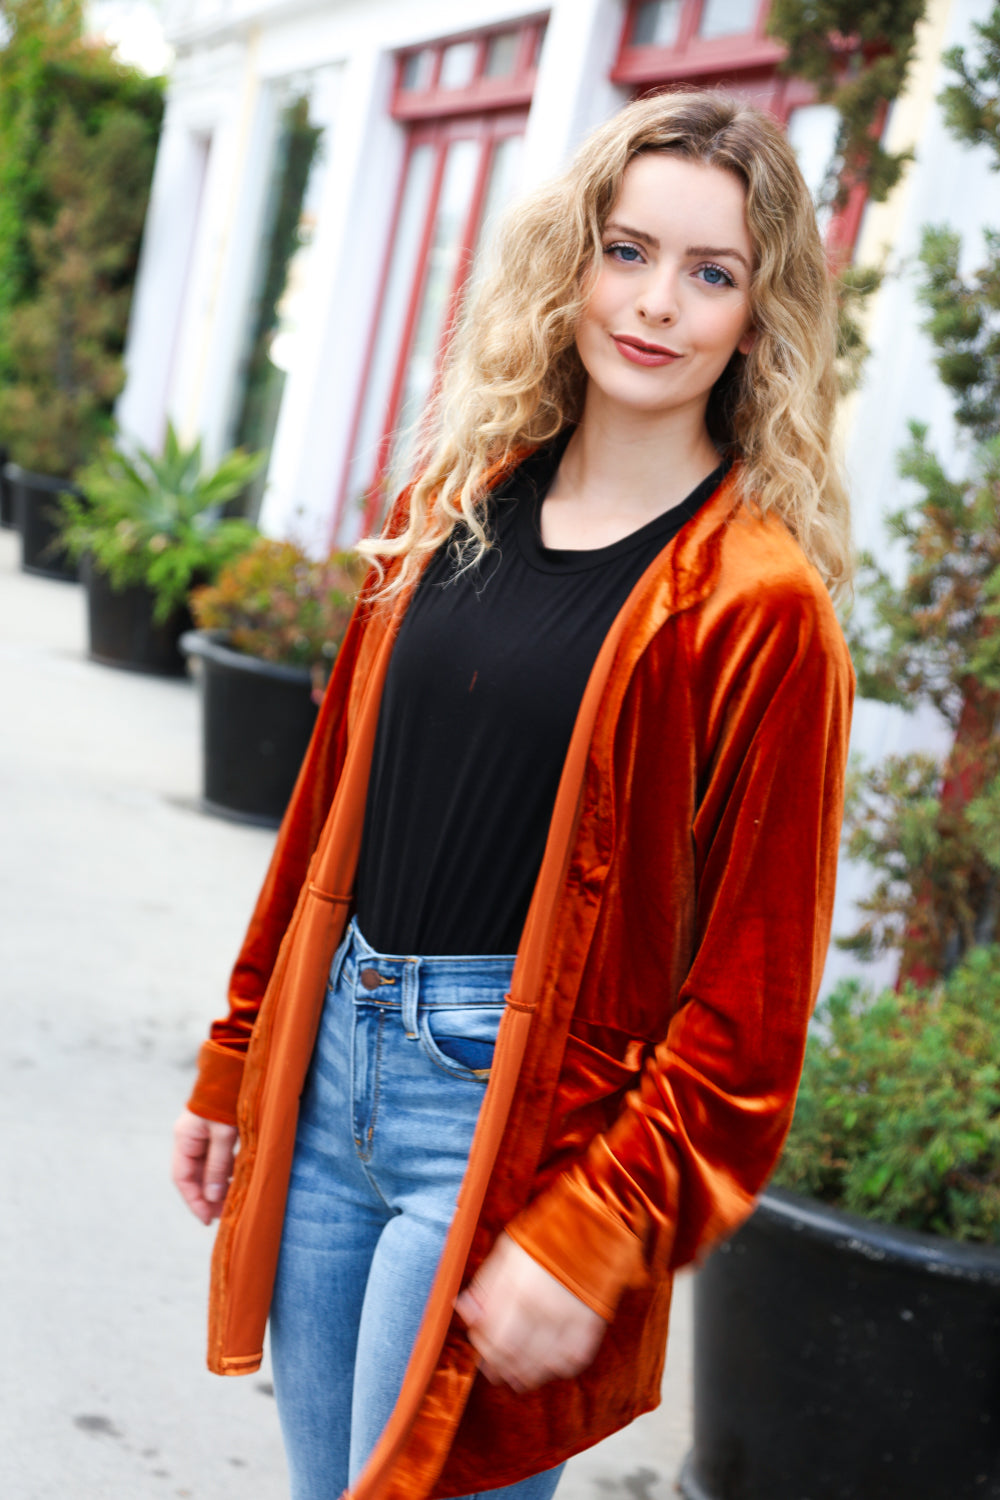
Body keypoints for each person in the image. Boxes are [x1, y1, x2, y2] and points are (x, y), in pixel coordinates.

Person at [171, 89, 854, 1500]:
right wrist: (243, 1053)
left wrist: (595, 1231)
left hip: (513, 1120)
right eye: (629, 250)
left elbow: (748, 1012)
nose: (658, 303)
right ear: (573, 260)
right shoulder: (451, 506)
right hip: (331, 1068)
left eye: (711, 272)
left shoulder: (756, 607)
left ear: (758, 314)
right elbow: (324, 819)